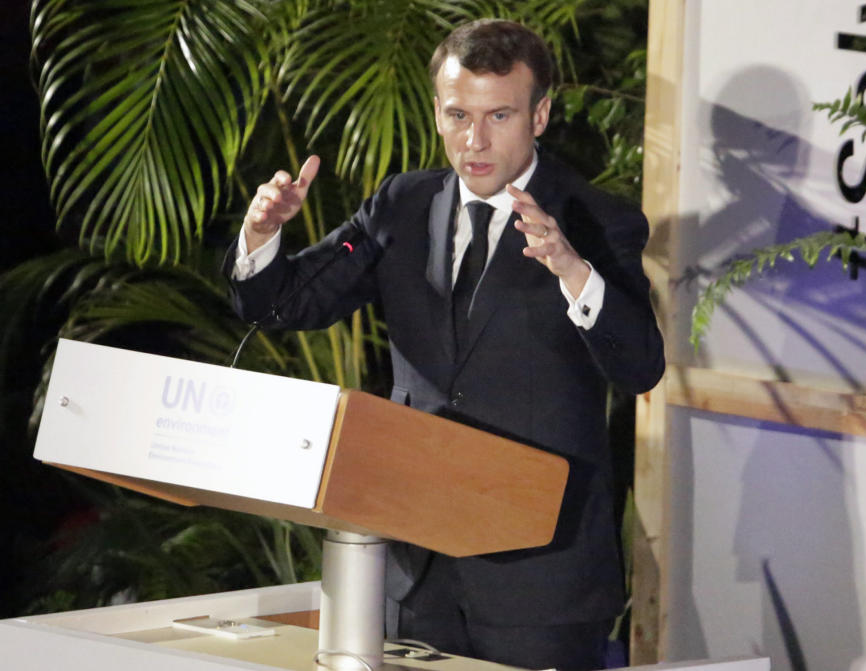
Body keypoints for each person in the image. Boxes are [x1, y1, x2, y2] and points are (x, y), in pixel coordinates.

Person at [225, 19, 664, 671]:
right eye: (458, 114)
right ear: (436, 110)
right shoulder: (400, 205)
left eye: (499, 116)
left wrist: (573, 269)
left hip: (541, 580)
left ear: (539, 115)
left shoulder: (596, 219)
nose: (474, 139)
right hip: (415, 571)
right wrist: (262, 236)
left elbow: (640, 366)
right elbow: (290, 301)